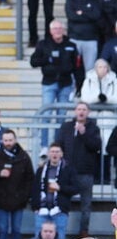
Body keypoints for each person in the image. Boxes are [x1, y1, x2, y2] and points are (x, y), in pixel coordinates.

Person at [31, 21, 81, 149]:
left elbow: (78, 67)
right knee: (46, 115)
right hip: (49, 83)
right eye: (55, 28)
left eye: (60, 28)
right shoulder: (43, 44)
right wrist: (47, 59)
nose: (58, 30)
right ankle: (44, 146)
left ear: (63, 30)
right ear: (50, 30)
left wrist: (79, 86)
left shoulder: (71, 45)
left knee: (61, 117)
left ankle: (58, 145)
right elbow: (33, 61)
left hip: (66, 84)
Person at [56, 102, 101, 238]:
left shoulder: (93, 128)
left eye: (84, 109)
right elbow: (59, 144)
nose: (81, 112)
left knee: (85, 205)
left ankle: (83, 232)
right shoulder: (66, 127)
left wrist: (84, 133)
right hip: (67, 172)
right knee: (62, 202)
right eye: (79, 109)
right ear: (75, 111)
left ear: (88, 112)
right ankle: (59, 231)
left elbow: (96, 146)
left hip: (85, 172)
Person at [0, 129, 35, 239]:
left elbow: (30, 177)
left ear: (15, 140)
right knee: (3, 229)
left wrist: (25, 196)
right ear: (2, 141)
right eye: (6, 140)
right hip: (2, 201)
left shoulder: (24, 156)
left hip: (19, 201)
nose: (8, 143)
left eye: (10, 140)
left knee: (16, 229)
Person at [31, 142, 78, 237]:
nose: (54, 154)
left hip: (59, 211)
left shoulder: (68, 169)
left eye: (57, 152)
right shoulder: (41, 170)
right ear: (48, 153)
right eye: (52, 151)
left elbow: (76, 189)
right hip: (42, 211)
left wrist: (60, 188)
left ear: (61, 154)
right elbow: (35, 189)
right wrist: (35, 207)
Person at [67, 0, 102, 74]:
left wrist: (81, 13)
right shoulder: (70, 0)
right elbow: (71, 16)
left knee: (90, 70)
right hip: (74, 39)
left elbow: (96, 15)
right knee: (71, 67)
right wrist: (88, 13)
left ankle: (90, 86)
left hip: (91, 39)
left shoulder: (94, 0)